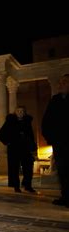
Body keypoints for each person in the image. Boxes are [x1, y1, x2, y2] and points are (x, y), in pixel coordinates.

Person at [42, 73, 69, 207]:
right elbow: (46, 121)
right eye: (60, 82)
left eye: (64, 82)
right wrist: (50, 137)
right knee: (62, 170)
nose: (60, 85)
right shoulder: (55, 100)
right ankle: (65, 197)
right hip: (59, 143)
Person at [0, 105, 37, 193]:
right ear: (15, 112)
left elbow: (31, 135)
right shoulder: (10, 121)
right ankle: (16, 186)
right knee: (14, 168)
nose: (20, 112)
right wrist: (7, 142)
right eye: (18, 111)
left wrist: (32, 145)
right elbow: (1, 133)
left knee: (28, 167)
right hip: (14, 148)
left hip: (25, 148)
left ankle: (27, 185)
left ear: (24, 113)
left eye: (22, 111)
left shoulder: (27, 122)